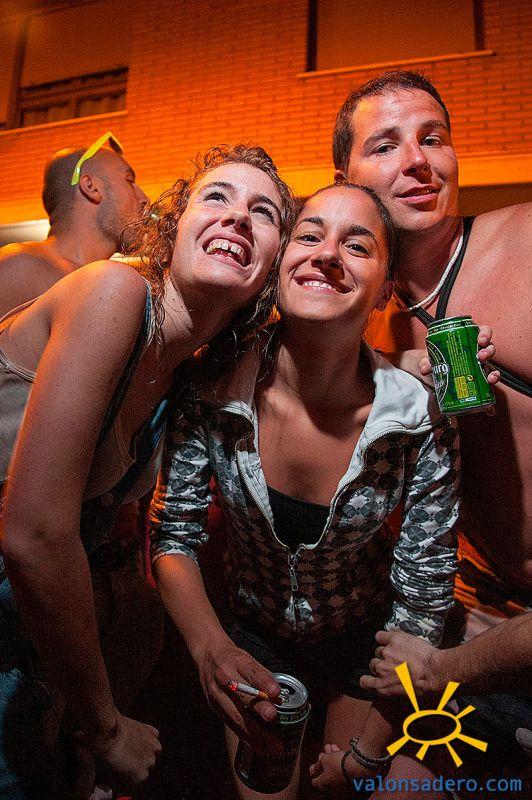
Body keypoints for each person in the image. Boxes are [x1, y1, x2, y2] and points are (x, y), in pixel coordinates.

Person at [150, 181, 464, 799]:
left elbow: (422, 601)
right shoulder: (211, 386)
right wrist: (210, 648)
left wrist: (370, 751)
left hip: (366, 642)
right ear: (281, 263)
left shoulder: (420, 417)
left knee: (343, 791)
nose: (326, 255)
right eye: (309, 235)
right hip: (248, 632)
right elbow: (173, 535)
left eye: (358, 246)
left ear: (385, 289)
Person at [0, 144, 293, 800]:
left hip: (33, 654)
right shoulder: (114, 291)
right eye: (217, 197)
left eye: (264, 212)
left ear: (274, 263)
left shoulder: (188, 367)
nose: (237, 217)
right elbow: (33, 536)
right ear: (173, 227)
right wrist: (104, 726)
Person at [325, 69, 531, 789]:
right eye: (385, 145)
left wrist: (444, 668)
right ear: (347, 179)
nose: (417, 160)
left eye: (432, 138)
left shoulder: (524, 244)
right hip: (475, 607)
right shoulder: (354, 307)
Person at [0, 131, 148, 317]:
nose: (145, 198)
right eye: (129, 181)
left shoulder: (119, 279)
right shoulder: (19, 267)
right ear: (91, 187)